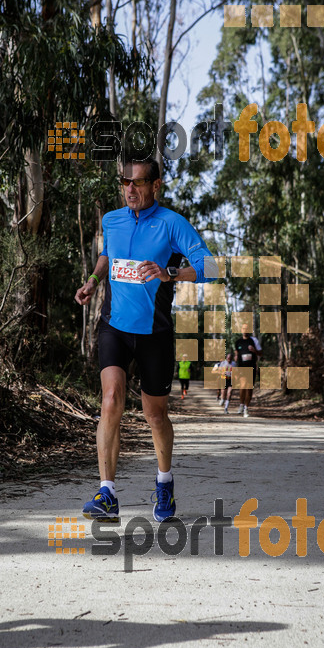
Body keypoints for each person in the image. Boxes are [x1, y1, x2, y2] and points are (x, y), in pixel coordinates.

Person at [74, 159, 215, 523]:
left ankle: (164, 483)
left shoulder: (172, 223)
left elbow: (211, 266)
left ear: (156, 185)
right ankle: (107, 494)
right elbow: (108, 255)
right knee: (110, 400)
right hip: (114, 326)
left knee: (155, 414)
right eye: (125, 182)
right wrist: (92, 280)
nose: (130, 189)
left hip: (155, 333)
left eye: (138, 183)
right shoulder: (112, 220)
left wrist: (170, 272)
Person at [234, 322, 262, 418]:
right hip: (241, 367)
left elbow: (261, 353)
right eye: (243, 328)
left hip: (251, 367)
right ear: (241, 330)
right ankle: (241, 404)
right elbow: (236, 354)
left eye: (247, 328)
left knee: (249, 388)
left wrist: (254, 351)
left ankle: (246, 408)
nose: (245, 330)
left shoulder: (254, 341)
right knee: (242, 386)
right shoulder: (238, 342)